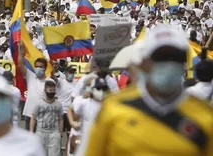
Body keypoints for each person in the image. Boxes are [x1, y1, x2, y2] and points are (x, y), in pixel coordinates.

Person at [84, 25, 213, 155]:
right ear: (144, 63)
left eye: (176, 58)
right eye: (160, 58)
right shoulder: (113, 108)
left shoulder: (205, 117)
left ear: (184, 65)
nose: (168, 65)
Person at [18, 42, 54, 130]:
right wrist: (20, 53)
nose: (38, 68)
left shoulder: (50, 81)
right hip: (29, 114)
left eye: (40, 67)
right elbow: (20, 64)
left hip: (43, 116)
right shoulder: (30, 76)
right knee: (29, 141)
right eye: (36, 66)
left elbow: (53, 99)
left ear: (45, 68)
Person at [30, 80, 63, 156]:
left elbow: (61, 119)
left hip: (54, 133)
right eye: (50, 90)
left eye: (53, 90)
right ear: (45, 90)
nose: (52, 92)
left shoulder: (58, 104)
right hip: (40, 132)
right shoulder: (38, 103)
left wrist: (60, 133)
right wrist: (31, 132)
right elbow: (33, 118)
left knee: (54, 154)